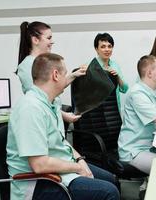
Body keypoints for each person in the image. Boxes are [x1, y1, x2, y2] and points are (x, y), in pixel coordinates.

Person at [7, 53, 120, 200]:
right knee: (108, 192)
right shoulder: (31, 108)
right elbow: (39, 165)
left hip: (59, 168)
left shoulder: (49, 104)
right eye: (65, 73)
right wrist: (78, 168)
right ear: (55, 75)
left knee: (111, 179)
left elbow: (61, 142)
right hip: (38, 182)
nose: (68, 78)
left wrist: (80, 160)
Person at [16, 21, 86, 122]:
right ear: (35, 40)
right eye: (48, 38)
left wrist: (74, 75)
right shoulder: (27, 66)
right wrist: (64, 115)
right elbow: (39, 99)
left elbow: (52, 86)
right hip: (46, 117)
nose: (52, 41)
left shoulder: (45, 61)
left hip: (53, 115)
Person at [92, 32, 129, 111]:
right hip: (97, 110)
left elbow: (125, 89)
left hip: (114, 108)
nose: (107, 49)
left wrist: (117, 77)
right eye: (103, 47)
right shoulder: (90, 65)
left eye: (109, 46)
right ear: (96, 49)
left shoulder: (115, 65)